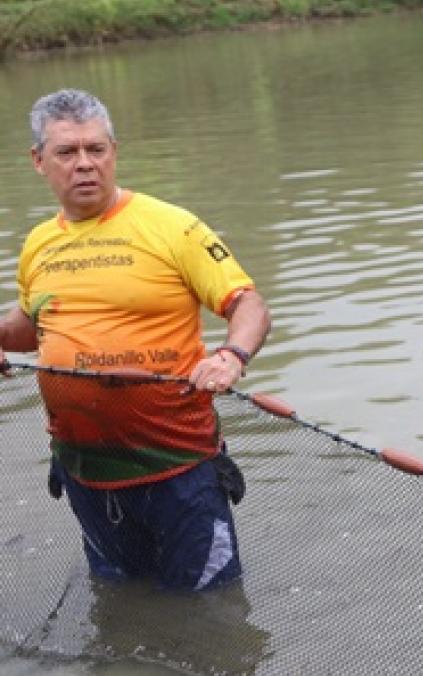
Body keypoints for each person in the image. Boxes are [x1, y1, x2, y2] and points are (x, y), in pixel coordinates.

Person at [0, 89, 270, 591]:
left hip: (178, 470)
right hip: (86, 473)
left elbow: (247, 304)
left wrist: (231, 356)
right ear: (39, 161)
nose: (84, 164)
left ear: (114, 152)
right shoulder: (39, 242)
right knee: (117, 597)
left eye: (95, 149)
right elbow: (29, 325)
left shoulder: (173, 226)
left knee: (212, 615)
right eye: (67, 152)